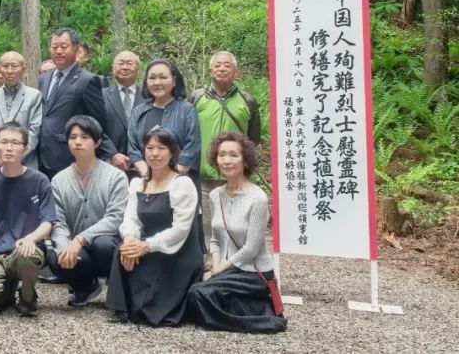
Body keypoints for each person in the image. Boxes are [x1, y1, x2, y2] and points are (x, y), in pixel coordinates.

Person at [186, 132, 286, 333]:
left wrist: (217, 272)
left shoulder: (257, 198)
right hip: (226, 269)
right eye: (222, 155)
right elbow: (215, 239)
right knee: (188, 285)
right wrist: (215, 267)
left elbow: (251, 248)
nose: (227, 160)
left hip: (252, 272)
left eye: (233, 155)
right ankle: (242, 311)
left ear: (245, 160)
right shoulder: (215, 195)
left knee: (198, 293)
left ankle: (261, 322)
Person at [106, 127, 203, 326]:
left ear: (172, 153)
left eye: (161, 148)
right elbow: (130, 219)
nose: (155, 153)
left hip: (177, 251)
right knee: (122, 249)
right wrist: (130, 240)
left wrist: (145, 246)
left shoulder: (182, 184)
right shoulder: (138, 184)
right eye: (150, 148)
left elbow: (181, 229)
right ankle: (121, 307)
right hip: (148, 245)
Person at [0, 122, 54, 317]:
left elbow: (47, 222)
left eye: (15, 143)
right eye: (4, 142)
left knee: (27, 255)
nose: (8, 147)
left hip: (26, 249)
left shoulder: (40, 180)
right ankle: (6, 295)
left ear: (26, 148)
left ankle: (27, 297)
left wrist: (31, 238)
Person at [47, 115, 128, 306]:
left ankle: (118, 290)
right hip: (78, 250)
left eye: (84, 137)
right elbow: (58, 221)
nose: (78, 142)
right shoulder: (59, 180)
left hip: (107, 244)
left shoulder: (115, 176)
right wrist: (64, 248)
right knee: (55, 256)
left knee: (103, 244)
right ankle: (84, 286)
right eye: (72, 137)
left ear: (97, 142)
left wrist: (81, 239)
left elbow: (115, 218)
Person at [189, 51, 262, 248]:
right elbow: (188, 132)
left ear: (236, 72)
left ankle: (237, 262)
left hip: (236, 177)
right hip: (204, 175)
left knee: (238, 225)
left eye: (227, 65)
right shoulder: (197, 97)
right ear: (210, 70)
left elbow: (253, 138)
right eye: (218, 65)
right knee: (207, 226)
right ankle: (211, 263)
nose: (222, 69)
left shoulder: (247, 100)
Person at [37, 28, 115, 178]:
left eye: (64, 47)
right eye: (54, 47)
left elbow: (98, 123)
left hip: (69, 156)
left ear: (76, 48)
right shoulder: (44, 79)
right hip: (40, 157)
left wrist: (111, 152)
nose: (58, 51)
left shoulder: (87, 80)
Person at [127, 59, 202, 189]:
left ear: (174, 81)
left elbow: (192, 148)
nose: (157, 82)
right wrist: (147, 174)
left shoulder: (186, 110)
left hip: (180, 183)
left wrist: (171, 177)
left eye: (163, 77)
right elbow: (133, 148)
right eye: (152, 78)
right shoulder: (139, 111)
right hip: (146, 182)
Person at [0, 51, 42, 174]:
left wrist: (16, 157)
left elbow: (34, 131)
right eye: (5, 66)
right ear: (0, 69)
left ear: (23, 70)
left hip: (24, 162)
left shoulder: (34, 95)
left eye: (14, 66)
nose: (9, 71)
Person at [103, 50, 146, 173]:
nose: (125, 67)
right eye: (121, 63)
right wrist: (112, 153)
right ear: (113, 69)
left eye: (129, 63)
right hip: (109, 164)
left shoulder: (148, 97)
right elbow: (95, 128)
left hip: (143, 165)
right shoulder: (101, 96)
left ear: (138, 70)